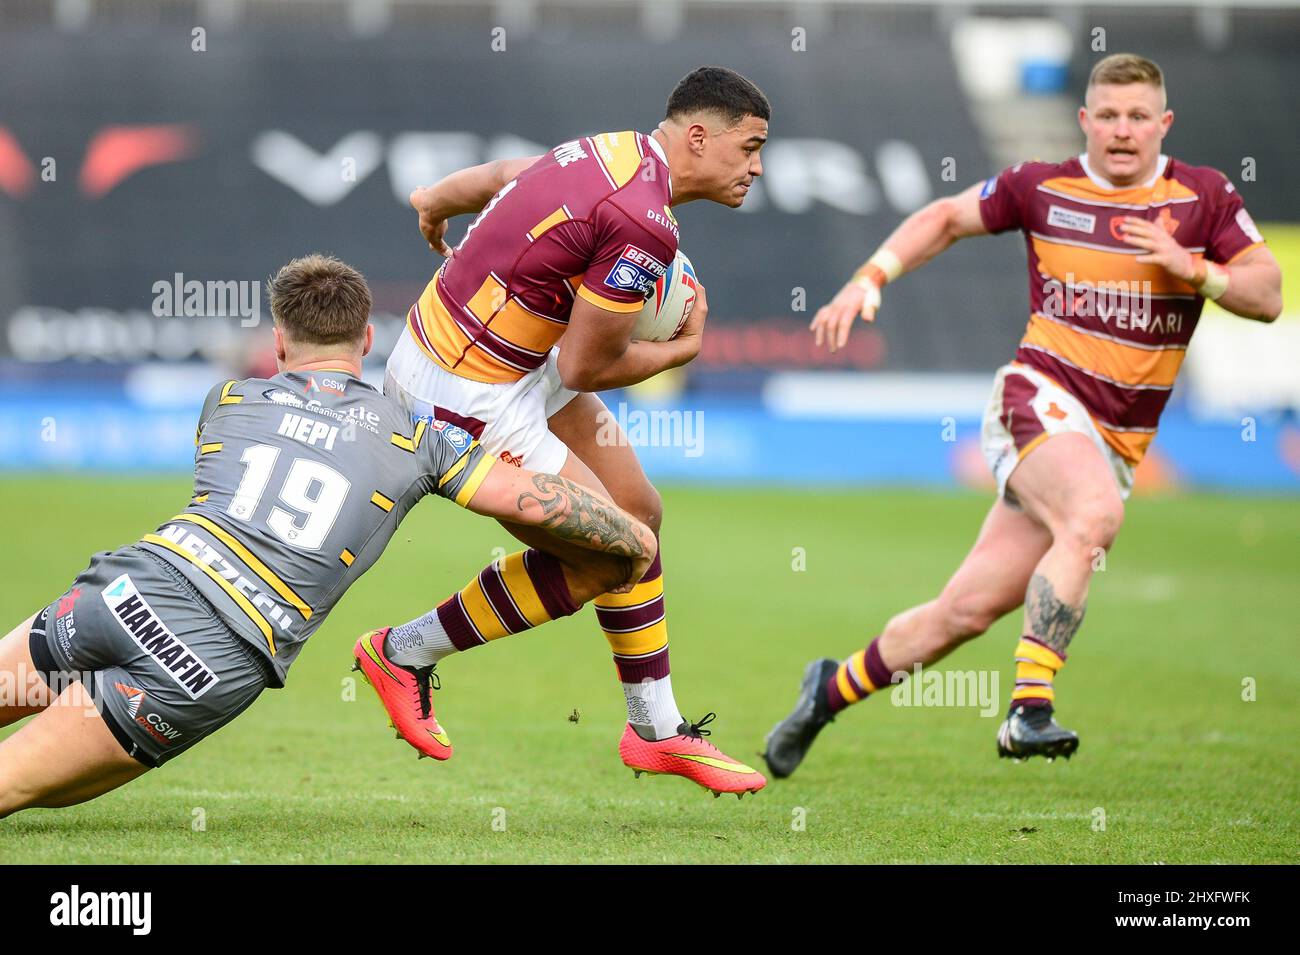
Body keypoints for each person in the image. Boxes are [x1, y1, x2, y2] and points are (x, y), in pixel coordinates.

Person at [764, 53, 1282, 776]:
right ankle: (1028, 709)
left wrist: (1199, 271)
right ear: (1085, 120)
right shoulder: (1041, 186)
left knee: (963, 612)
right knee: (1092, 517)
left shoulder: (1204, 198)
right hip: (1038, 397)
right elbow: (945, 217)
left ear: (1164, 123)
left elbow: (1267, 296)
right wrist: (869, 278)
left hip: (1116, 441)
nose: (1123, 131)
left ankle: (829, 688)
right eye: (1108, 115)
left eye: (1138, 117)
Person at [0, 254, 656, 817]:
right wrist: (634, 534)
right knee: (23, 785)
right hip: (211, 654)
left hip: (127, 588)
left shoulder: (226, 401)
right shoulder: (417, 439)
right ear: (368, 339)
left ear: (278, 343)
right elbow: (530, 500)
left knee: (47, 791)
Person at [374, 66, 770, 796]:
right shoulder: (644, 223)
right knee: (617, 553)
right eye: (749, 147)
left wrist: (432, 202)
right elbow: (586, 364)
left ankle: (657, 729)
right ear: (697, 135)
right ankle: (403, 651)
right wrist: (681, 351)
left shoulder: (603, 150)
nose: (757, 166)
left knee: (640, 514)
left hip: (499, 360)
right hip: (465, 392)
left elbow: (503, 173)